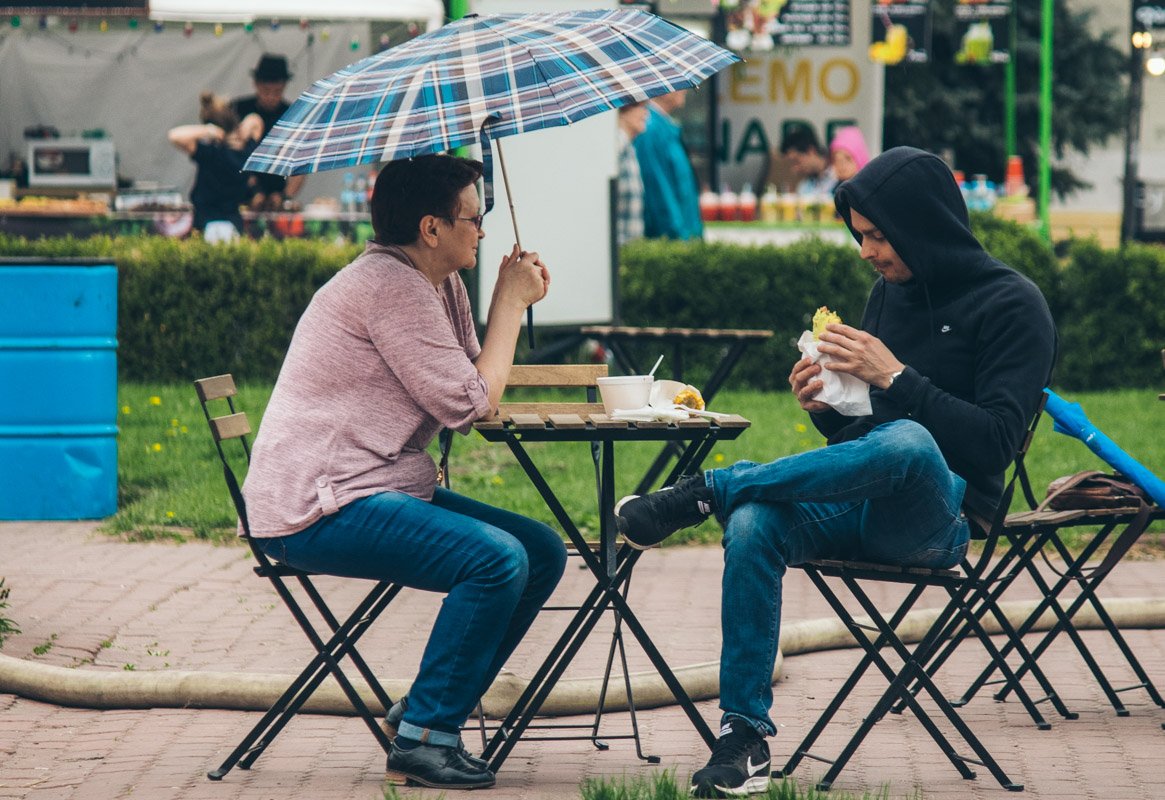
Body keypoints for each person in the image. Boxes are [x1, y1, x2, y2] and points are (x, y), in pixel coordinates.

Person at [614, 146, 1056, 798]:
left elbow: (993, 444)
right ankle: (743, 738)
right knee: (756, 521)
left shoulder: (1013, 304)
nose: (865, 252)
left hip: (943, 517)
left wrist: (895, 377)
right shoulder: (888, 293)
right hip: (862, 499)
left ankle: (708, 488)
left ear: (922, 223)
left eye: (877, 236)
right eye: (858, 236)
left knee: (907, 438)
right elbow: (862, 433)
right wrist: (827, 409)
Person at [242, 154, 565, 790]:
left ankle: (426, 709)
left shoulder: (435, 283)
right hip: (320, 503)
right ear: (431, 228)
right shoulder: (389, 288)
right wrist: (508, 304)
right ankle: (423, 737)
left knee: (541, 551)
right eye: (475, 217)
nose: (482, 229)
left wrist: (498, 304)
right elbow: (472, 403)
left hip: (371, 487)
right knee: (496, 561)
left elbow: (469, 373)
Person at [167, 91, 264, 238]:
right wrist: (244, 130)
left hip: (205, 220)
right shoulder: (248, 152)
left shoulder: (210, 153)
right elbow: (256, 121)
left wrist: (208, 131)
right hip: (233, 222)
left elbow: (174, 136)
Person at [231, 53, 305, 210]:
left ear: (284, 86)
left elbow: (301, 163)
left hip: (277, 196)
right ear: (256, 84)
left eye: (277, 91)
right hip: (239, 195)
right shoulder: (238, 109)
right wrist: (253, 191)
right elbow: (230, 156)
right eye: (266, 91)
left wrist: (285, 196)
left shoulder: (292, 115)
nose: (271, 96)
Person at [634, 89, 702, 240]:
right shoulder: (650, 130)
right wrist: (678, 241)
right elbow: (659, 193)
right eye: (679, 86)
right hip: (674, 242)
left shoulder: (664, 127)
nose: (685, 90)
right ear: (663, 90)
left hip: (685, 236)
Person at [615, 100, 648, 247]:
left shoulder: (630, 147)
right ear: (623, 111)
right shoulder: (618, 145)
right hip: (620, 246)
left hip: (629, 246)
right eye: (639, 106)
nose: (646, 113)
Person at [779, 124, 836, 198]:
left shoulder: (839, 175)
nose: (795, 169)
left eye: (796, 161)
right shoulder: (804, 186)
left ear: (811, 151)